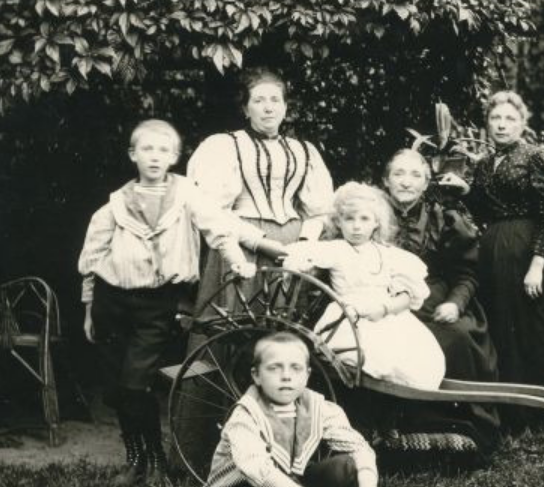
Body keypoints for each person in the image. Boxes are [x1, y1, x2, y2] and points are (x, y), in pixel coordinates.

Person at [199, 332, 452, 487]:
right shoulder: (246, 415)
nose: (286, 376)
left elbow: (359, 448)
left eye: (295, 368)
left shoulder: (316, 406)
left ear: (307, 374)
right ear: (256, 375)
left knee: (346, 465)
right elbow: (263, 476)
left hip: (288, 485)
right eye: (274, 368)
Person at [78, 119, 242, 485]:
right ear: (133, 155)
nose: (155, 157)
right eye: (147, 149)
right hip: (111, 300)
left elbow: (217, 227)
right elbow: (92, 256)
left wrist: (237, 260)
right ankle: (135, 459)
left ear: (174, 157)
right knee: (117, 388)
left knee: (137, 383)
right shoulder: (116, 204)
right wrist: (89, 307)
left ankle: (155, 461)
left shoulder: (186, 195)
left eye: (163, 150)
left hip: (156, 304)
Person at [438, 91, 544, 398]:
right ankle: (514, 408)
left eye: (510, 118)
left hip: (530, 251)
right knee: (503, 326)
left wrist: (537, 265)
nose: (502, 125)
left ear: (523, 123)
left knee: (536, 328)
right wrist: (466, 190)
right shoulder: (485, 164)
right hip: (495, 252)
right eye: (495, 118)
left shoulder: (537, 157)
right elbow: (486, 211)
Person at [185, 67, 335, 327]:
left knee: (283, 326)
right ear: (245, 109)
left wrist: (304, 245)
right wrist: (259, 242)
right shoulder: (225, 146)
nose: (269, 108)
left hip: (293, 248)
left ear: (286, 107)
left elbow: (320, 209)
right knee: (235, 324)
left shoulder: (304, 151)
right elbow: (211, 210)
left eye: (276, 100)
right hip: (241, 245)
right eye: (259, 100)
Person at [282, 182, 446, 389]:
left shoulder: (387, 253)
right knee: (381, 356)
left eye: (364, 219)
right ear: (338, 222)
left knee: (417, 355)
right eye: (349, 219)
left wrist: (385, 308)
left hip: (386, 314)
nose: (357, 226)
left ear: (376, 222)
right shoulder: (338, 249)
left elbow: (406, 295)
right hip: (352, 317)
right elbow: (297, 253)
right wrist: (305, 258)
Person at [383, 148, 498, 382]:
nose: (406, 183)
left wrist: (454, 304)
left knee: (458, 336)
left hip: (434, 301)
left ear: (426, 184)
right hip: (386, 302)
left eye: (416, 175)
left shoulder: (444, 218)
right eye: (399, 174)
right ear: (386, 181)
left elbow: (468, 272)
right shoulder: (371, 216)